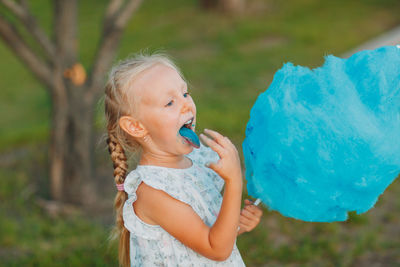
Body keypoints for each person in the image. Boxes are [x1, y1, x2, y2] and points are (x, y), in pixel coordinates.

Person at [103, 52, 263, 267]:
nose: (186, 104)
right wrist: (234, 181)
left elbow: (208, 233)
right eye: (170, 102)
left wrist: (237, 224)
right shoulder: (152, 192)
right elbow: (216, 248)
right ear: (136, 127)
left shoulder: (197, 160)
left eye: (185, 93)